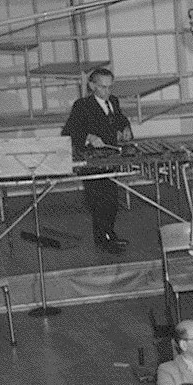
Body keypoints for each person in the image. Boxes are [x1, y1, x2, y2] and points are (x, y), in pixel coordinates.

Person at [60, 66, 131, 252]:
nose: (107, 92)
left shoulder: (113, 101)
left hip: (109, 158)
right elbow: (68, 132)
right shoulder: (82, 105)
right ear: (92, 86)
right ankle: (103, 240)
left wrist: (125, 128)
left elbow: (120, 119)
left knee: (112, 202)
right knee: (99, 202)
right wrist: (89, 137)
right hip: (91, 161)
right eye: (102, 87)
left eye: (109, 87)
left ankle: (110, 234)